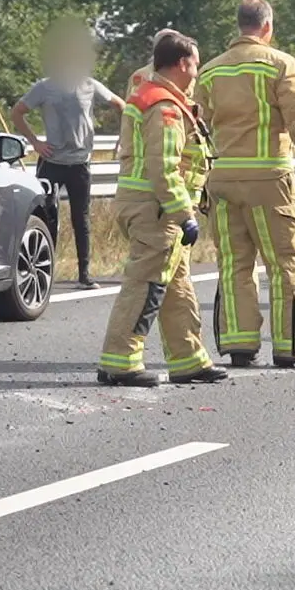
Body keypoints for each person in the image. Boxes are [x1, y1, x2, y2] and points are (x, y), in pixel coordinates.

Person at [195, 0, 295, 369]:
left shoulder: (209, 72)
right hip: (269, 181)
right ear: (268, 27)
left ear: (239, 26)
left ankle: (239, 345)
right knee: (284, 263)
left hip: (222, 181)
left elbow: (198, 129)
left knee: (234, 264)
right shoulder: (280, 65)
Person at [96, 31, 223, 387]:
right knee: (146, 285)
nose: (197, 72)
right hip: (157, 211)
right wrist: (185, 213)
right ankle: (119, 361)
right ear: (183, 64)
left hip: (155, 208)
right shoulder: (164, 106)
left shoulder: (159, 97)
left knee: (176, 286)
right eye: (196, 64)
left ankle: (189, 359)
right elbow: (163, 167)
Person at [11, 32, 122, 288]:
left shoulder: (89, 85)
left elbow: (121, 105)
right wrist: (35, 142)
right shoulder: (44, 86)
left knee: (80, 218)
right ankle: (40, 270)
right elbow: (17, 112)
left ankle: (84, 274)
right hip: (52, 162)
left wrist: (123, 136)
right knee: (46, 216)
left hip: (80, 163)